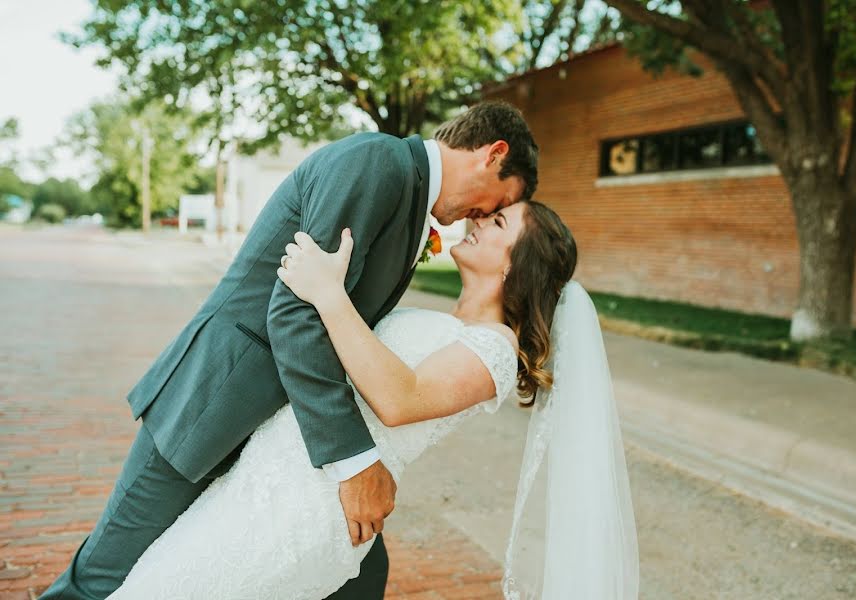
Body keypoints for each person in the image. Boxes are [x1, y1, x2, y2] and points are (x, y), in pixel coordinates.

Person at [40, 101, 539, 600]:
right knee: (105, 577)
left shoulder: (410, 198)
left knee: (358, 571)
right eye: (499, 202)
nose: (487, 215)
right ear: (493, 155)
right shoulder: (377, 163)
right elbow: (295, 313)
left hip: (280, 437)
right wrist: (354, 462)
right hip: (213, 407)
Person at [106, 199, 638, 599]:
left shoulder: (494, 351)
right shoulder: (447, 323)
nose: (478, 220)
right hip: (268, 482)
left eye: (497, 224)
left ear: (515, 267)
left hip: (309, 510)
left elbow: (398, 399)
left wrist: (329, 293)